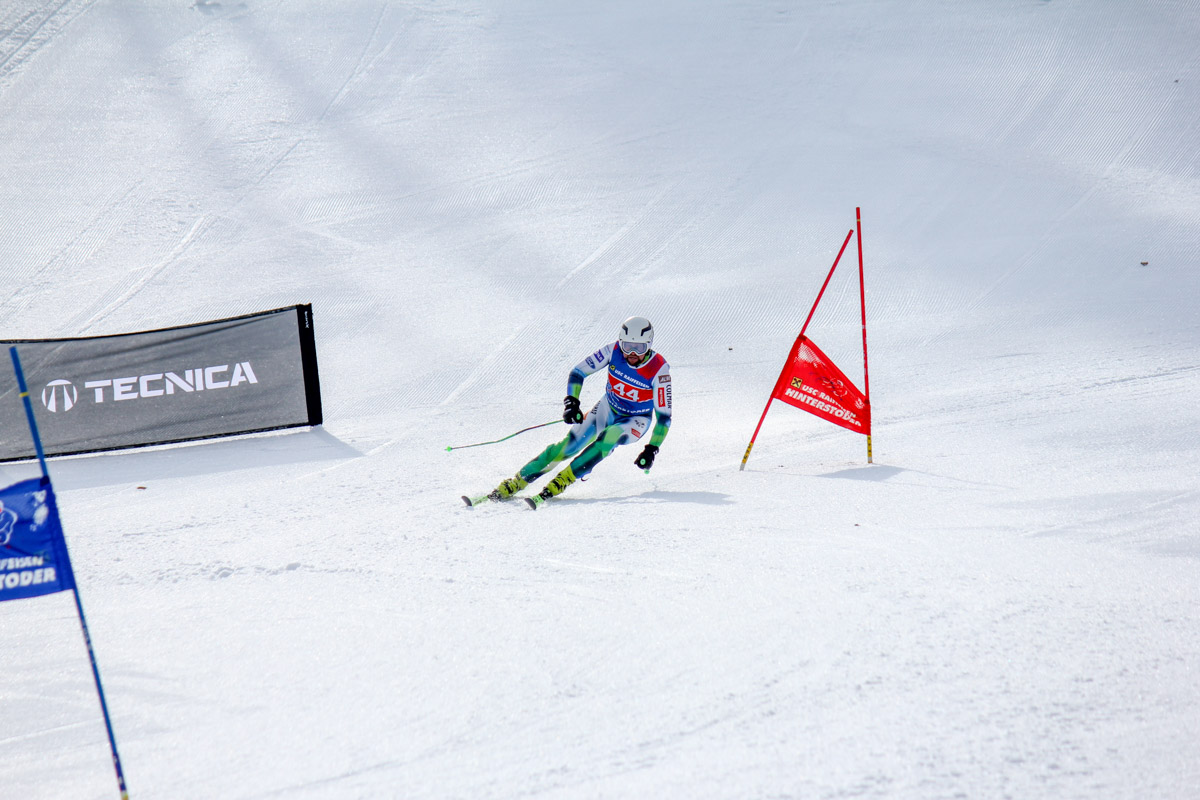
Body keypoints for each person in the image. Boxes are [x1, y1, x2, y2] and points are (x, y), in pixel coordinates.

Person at [479, 316, 672, 509]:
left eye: (639, 348)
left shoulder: (659, 370)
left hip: (636, 419)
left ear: (649, 345)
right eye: (627, 346)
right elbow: (578, 372)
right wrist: (572, 403)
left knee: (609, 437)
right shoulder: (613, 350)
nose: (631, 353)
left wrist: (651, 449)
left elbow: (664, 417)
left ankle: (564, 479)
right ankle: (517, 481)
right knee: (567, 447)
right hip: (607, 408)